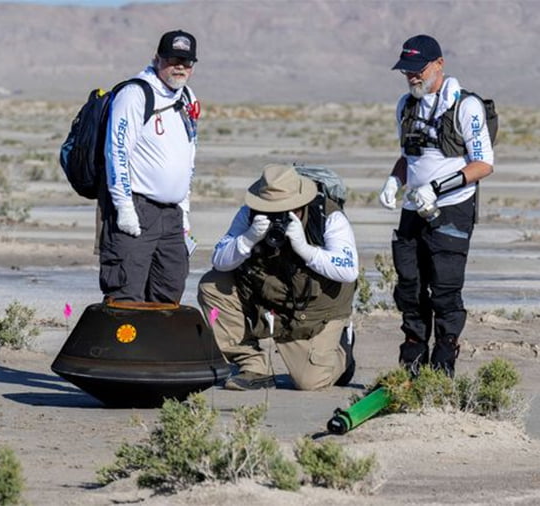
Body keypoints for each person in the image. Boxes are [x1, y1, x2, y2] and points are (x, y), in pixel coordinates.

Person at [379, 34, 495, 377]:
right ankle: (412, 364)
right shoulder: (406, 105)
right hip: (414, 210)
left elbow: (483, 164)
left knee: (444, 290)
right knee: (410, 289)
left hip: (452, 209)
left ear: (439, 65)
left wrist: (437, 187)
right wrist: (394, 181)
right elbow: (408, 157)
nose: (412, 77)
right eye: (406, 71)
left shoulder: (466, 106)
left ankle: (443, 365)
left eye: (418, 70)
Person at [197, 164, 359, 391]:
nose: (277, 217)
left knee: (310, 383)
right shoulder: (249, 214)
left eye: (286, 209)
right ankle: (252, 366)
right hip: (269, 301)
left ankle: (343, 349)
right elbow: (220, 260)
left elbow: (349, 269)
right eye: (269, 209)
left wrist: (306, 249)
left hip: (315, 311)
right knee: (212, 284)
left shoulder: (328, 217)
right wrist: (248, 238)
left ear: (302, 203)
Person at [100, 29, 201, 303]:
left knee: (169, 291)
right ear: (157, 59)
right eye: (172, 59)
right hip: (137, 207)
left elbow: (188, 155)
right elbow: (116, 152)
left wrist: (185, 209)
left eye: (187, 61)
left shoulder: (186, 97)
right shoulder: (135, 94)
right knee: (126, 293)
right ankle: (121, 347)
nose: (179, 67)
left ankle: (158, 347)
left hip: (172, 215)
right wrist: (124, 208)